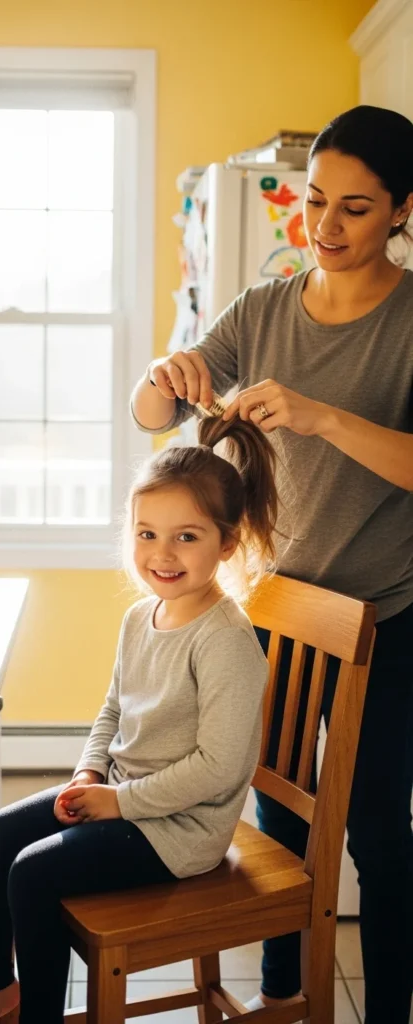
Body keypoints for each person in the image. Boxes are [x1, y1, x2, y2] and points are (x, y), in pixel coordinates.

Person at [131, 105, 413, 1024]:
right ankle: (284, 1000)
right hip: (283, 608)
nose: (322, 229)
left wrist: (322, 415)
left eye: (355, 209)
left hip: (390, 617)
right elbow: (150, 415)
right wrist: (163, 375)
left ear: (403, 210)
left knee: (378, 834)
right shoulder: (261, 308)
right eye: (313, 199)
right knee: (278, 821)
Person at [0, 410, 278, 1024]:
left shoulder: (226, 641)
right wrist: (88, 773)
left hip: (182, 830)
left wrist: (118, 802)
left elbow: (217, 769)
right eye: (146, 533)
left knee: (31, 874)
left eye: (187, 536)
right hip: (124, 795)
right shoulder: (142, 616)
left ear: (227, 544)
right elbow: (113, 707)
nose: (162, 554)